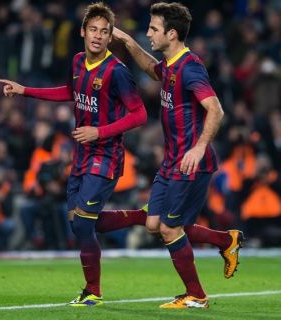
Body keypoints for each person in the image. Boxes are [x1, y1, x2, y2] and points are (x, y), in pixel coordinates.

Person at [0, 2, 147, 307]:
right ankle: (139, 217)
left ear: (109, 38)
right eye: (93, 29)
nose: (98, 36)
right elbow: (69, 91)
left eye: (105, 32)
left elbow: (140, 114)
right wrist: (25, 90)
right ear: (83, 31)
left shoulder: (117, 72)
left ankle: (93, 291)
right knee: (80, 223)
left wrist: (99, 132)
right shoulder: (79, 61)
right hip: (80, 156)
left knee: (82, 223)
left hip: (105, 155)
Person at [103, 2, 244, 309]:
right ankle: (226, 240)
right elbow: (152, 70)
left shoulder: (190, 68)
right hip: (172, 161)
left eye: (153, 29)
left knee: (169, 228)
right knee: (154, 224)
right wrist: (128, 42)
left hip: (191, 163)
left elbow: (216, 110)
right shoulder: (170, 64)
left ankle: (197, 295)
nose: (148, 33)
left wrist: (198, 147)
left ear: (172, 33)